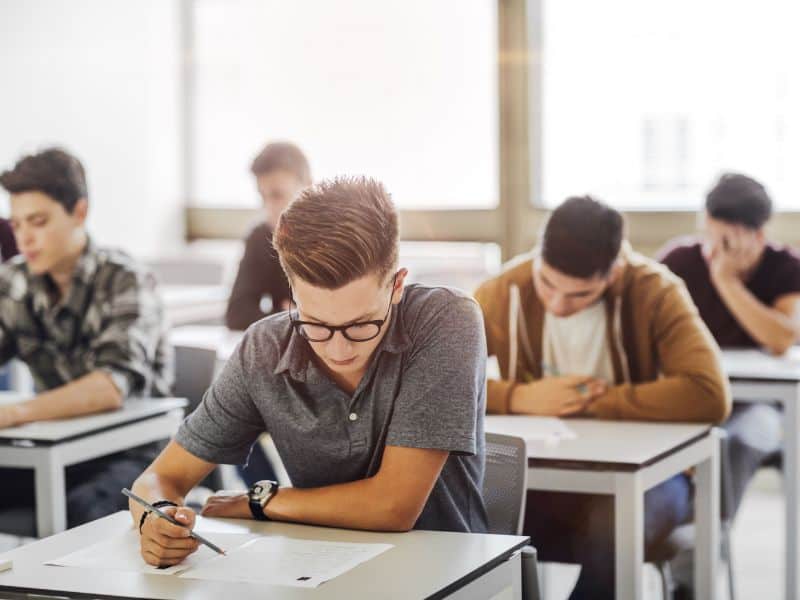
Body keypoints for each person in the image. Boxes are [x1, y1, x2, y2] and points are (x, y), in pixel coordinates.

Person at [130, 176, 488, 568]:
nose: (339, 349)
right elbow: (156, 480)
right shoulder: (264, 347)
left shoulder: (446, 319)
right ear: (291, 293)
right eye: (315, 324)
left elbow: (393, 507)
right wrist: (156, 516)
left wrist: (261, 501)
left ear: (397, 285)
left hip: (445, 574)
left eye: (361, 325)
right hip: (316, 572)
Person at [475, 195, 730, 600]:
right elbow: (442, 381)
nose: (558, 304)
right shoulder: (508, 287)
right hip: (547, 476)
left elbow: (710, 394)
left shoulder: (656, 290)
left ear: (615, 271)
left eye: (579, 295)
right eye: (548, 284)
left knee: (610, 531)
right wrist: (519, 397)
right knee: (472, 516)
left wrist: (593, 402)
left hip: (650, 479)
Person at [0, 148, 172, 527]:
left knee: (83, 508)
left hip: (137, 455)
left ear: (79, 212)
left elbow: (110, 386)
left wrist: (14, 413)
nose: (25, 237)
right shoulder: (15, 281)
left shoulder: (125, 279)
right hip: (54, 449)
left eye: (38, 221)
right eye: (17, 225)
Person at [660, 173, 798, 597]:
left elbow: (781, 337)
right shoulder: (679, 261)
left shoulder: (784, 266)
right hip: (695, 398)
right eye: (715, 235)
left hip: (760, 406)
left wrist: (727, 281)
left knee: (738, 441)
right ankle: (685, 546)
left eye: (733, 238)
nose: (719, 247)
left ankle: (694, 562)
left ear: (759, 234)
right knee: (677, 444)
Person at [225, 141, 312, 331]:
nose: (269, 208)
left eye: (277, 195)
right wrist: (292, 316)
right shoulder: (261, 237)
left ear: (308, 187)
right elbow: (237, 314)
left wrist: (297, 315)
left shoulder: (339, 235)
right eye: (263, 197)